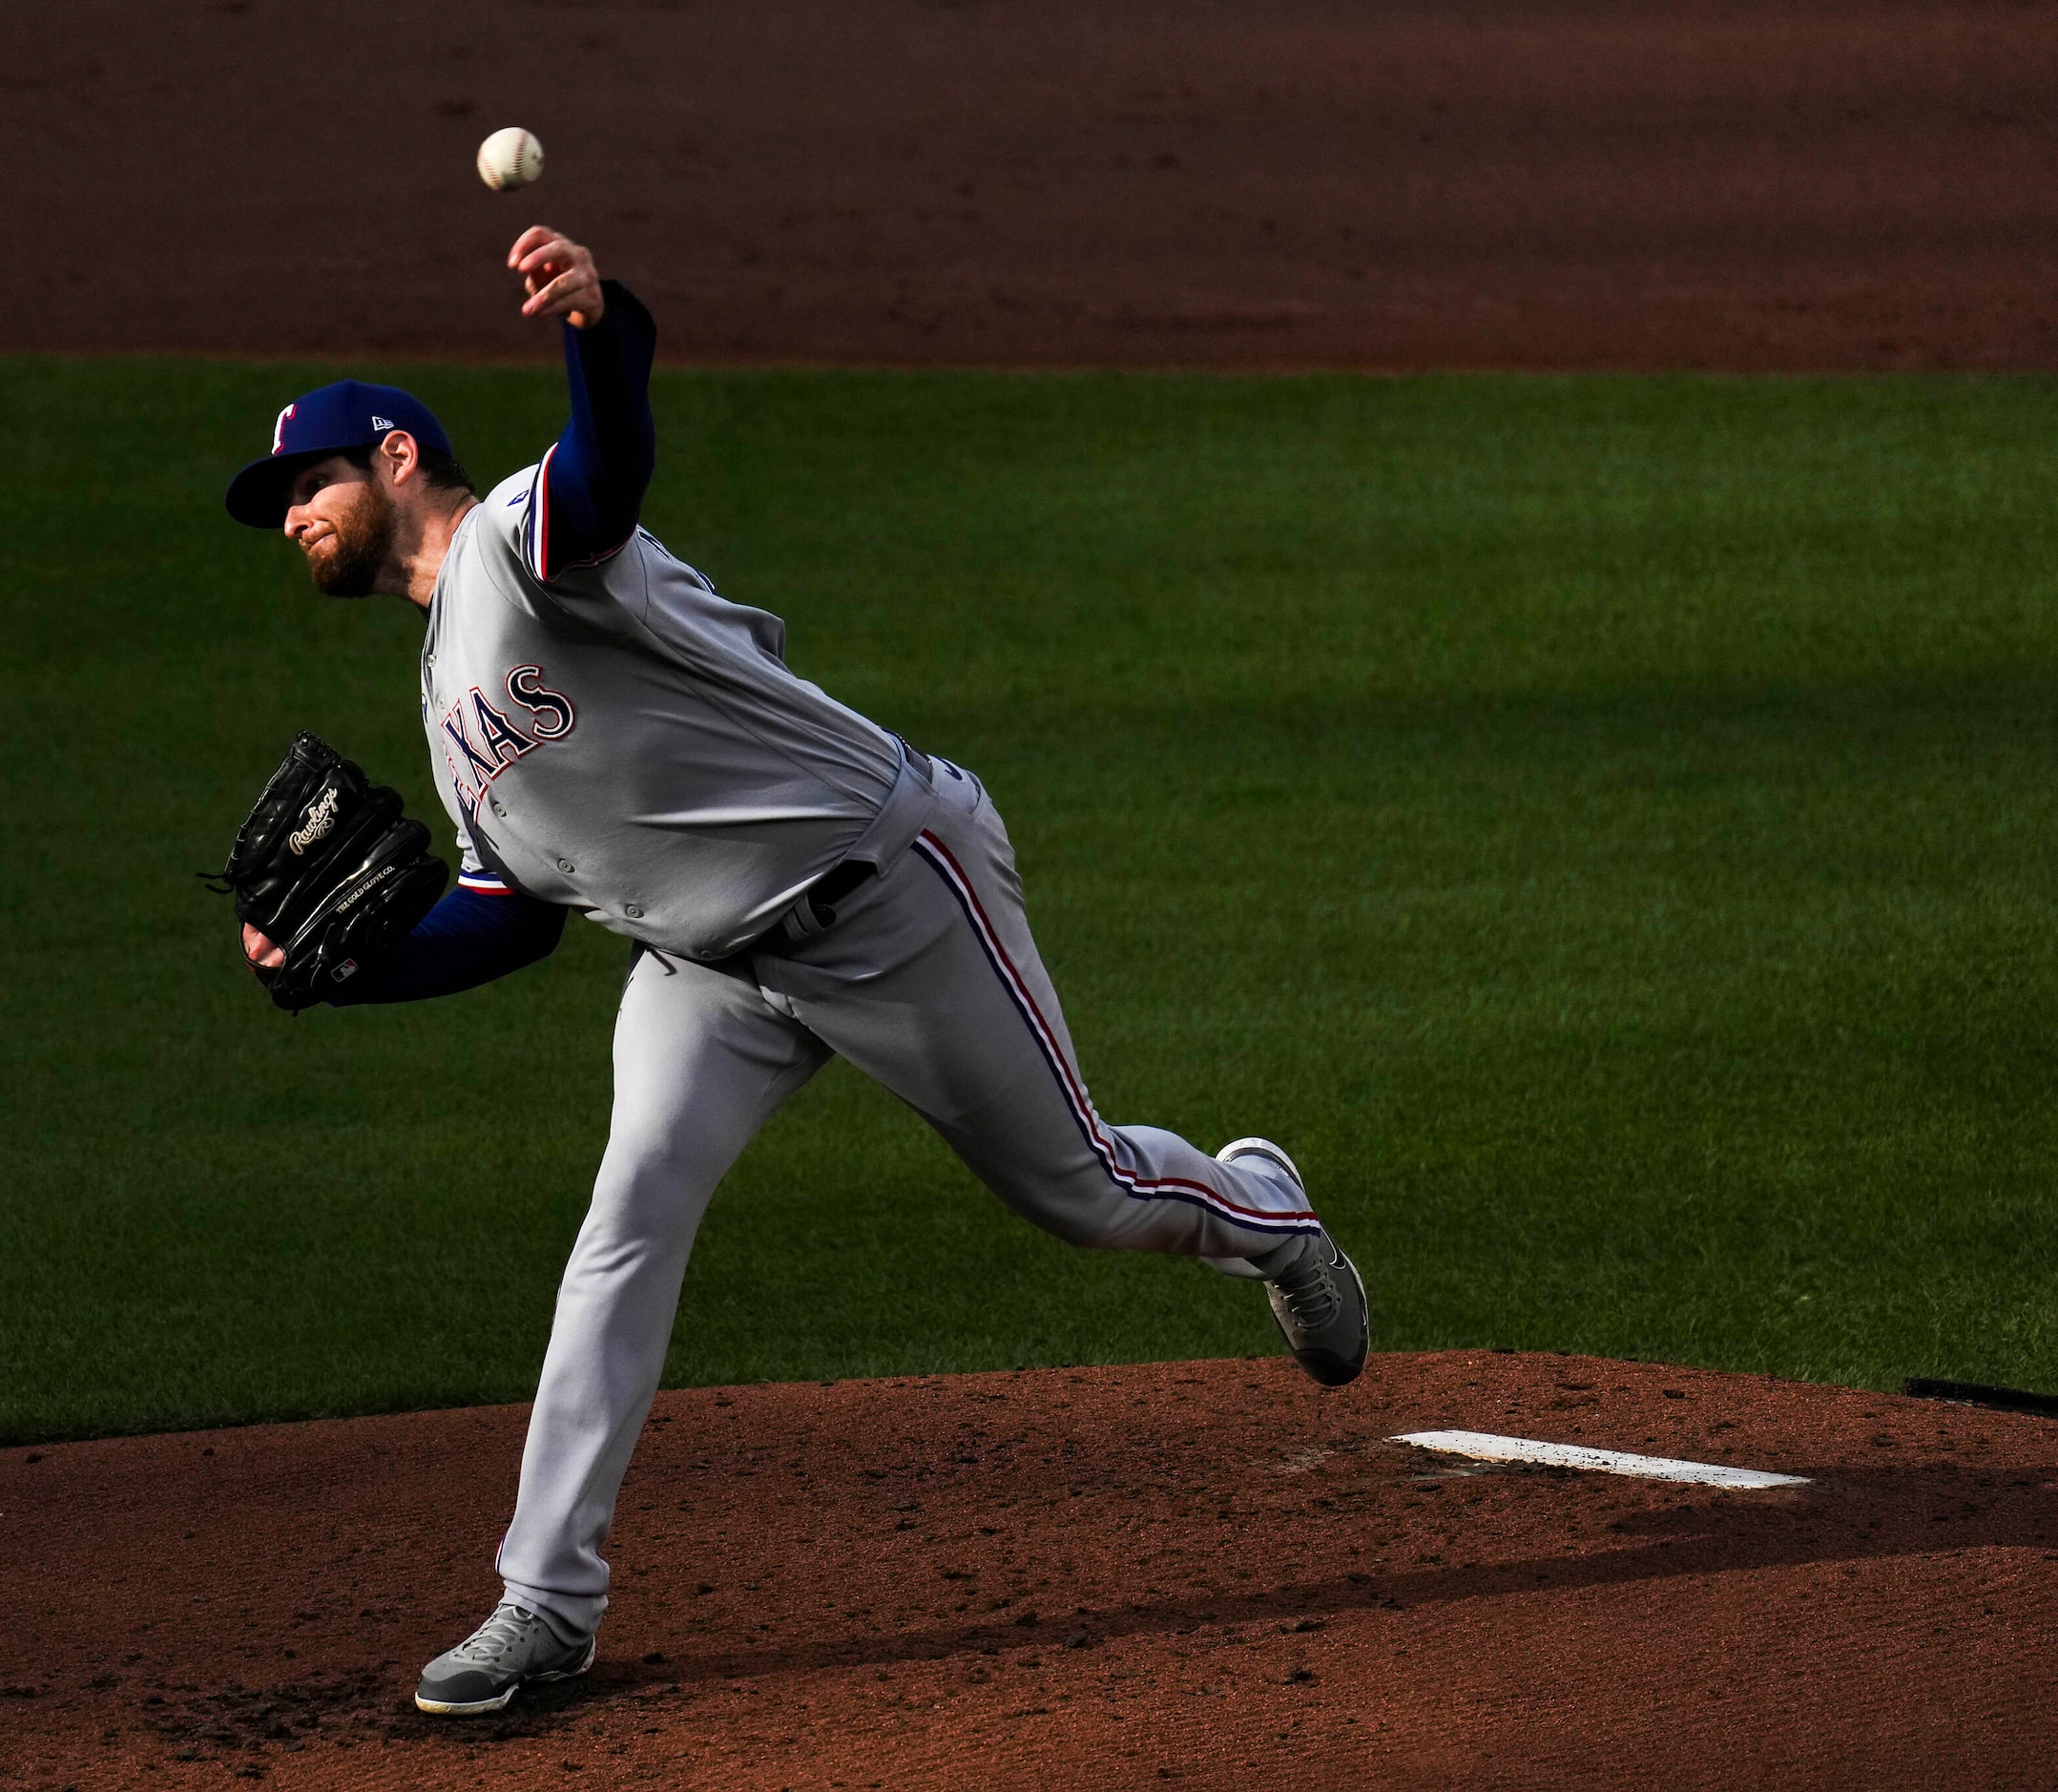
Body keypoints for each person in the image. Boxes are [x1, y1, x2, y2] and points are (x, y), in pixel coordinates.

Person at [221, 227, 1369, 1718]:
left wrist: (594, 323)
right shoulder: (445, 703)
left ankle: (1267, 1218)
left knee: (1086, 1193)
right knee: (623, 1220)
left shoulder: (521, 537)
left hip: (887, 890)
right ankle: (545, 1602)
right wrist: (335, 974)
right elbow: (507, 914)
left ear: (390, 459)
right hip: (704, 970)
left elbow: (610, 451)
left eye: (306, 485)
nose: (292, 517)